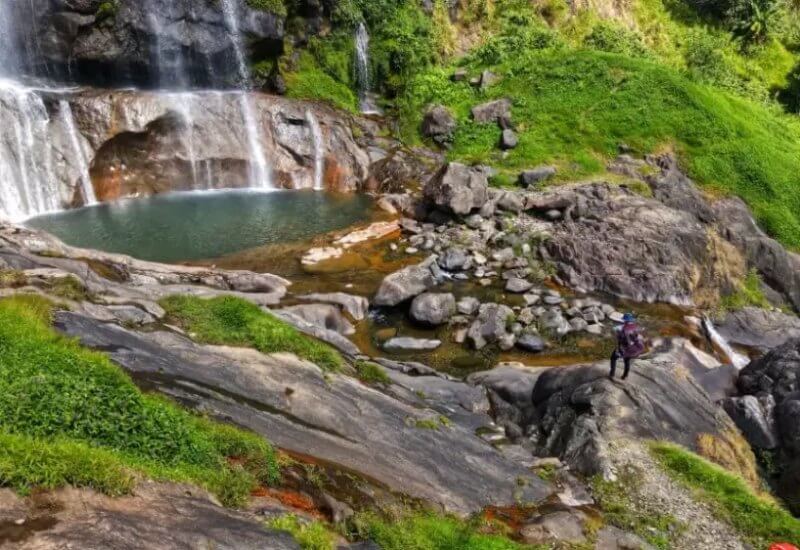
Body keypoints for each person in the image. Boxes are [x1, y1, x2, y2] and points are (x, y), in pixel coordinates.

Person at [610, 313, 645, 380]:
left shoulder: (620, 327)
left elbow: (615, 331)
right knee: (626, 361)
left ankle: (612, 374)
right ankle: (625, 376)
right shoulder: (635, 327)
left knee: (613, 358)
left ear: (624, 320)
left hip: (623, 348)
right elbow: (639, 337)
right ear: (631, 320)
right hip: (633, 348)